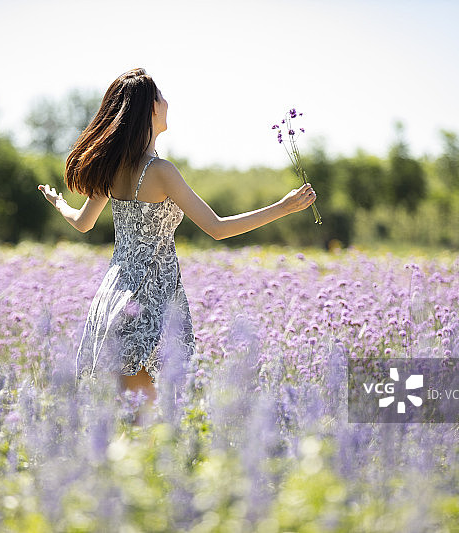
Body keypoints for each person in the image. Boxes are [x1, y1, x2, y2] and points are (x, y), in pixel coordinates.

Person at [38, 68, 316, 426]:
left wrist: (57, 202)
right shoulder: (160, 171)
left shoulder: (113, 168)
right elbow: (216, 228)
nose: (167, 102)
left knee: (139, 423)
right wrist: (283, 207)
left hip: (117, 297)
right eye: (161, 96)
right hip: (149, 303)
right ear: (150, 110)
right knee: (148, 426)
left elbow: (82, 222)